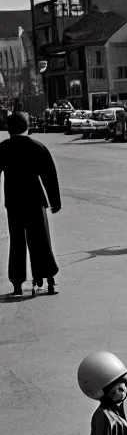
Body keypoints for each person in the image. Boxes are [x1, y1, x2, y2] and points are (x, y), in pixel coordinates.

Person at [0, 111, 60, 297]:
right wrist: (54, 202)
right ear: (28, 127)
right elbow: (49, 177)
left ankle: (17, 285)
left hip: (13, 202)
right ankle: (48, 280)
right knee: (41, 240)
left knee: (17, 241)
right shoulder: (37, 147)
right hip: (35, 201)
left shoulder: (3, 148)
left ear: (8, 129)